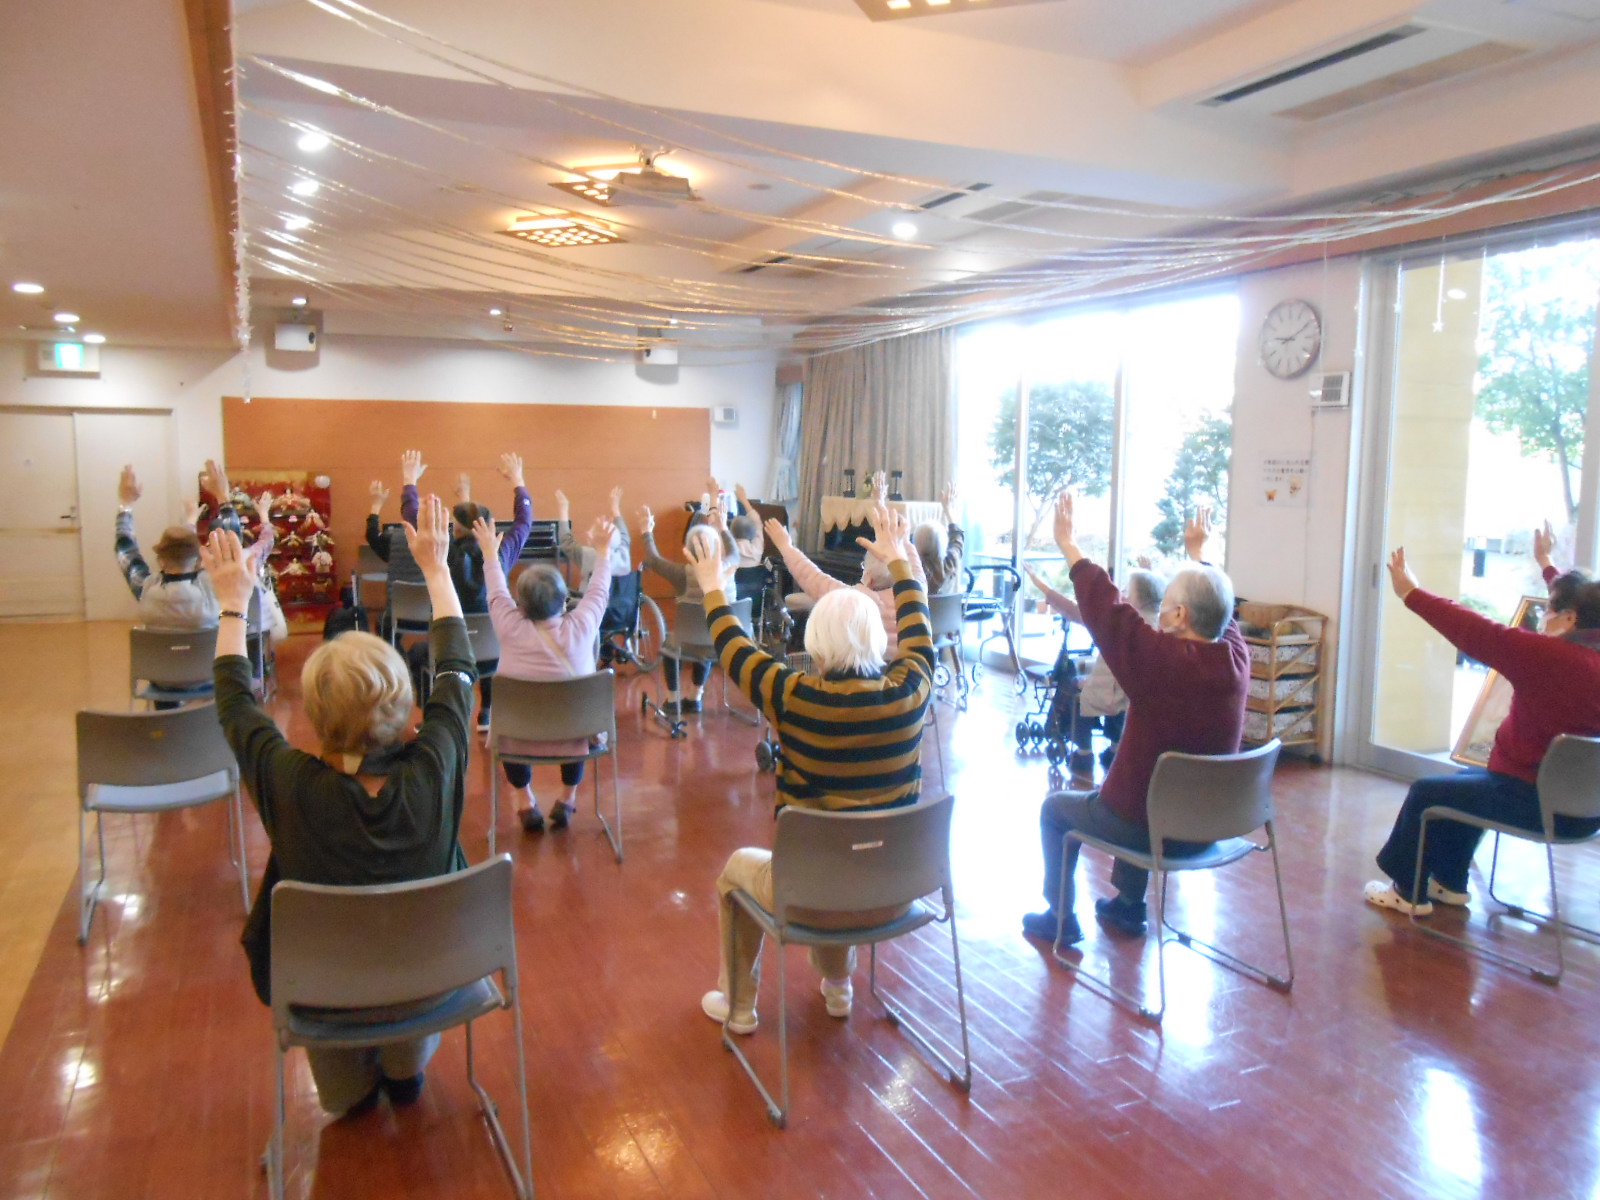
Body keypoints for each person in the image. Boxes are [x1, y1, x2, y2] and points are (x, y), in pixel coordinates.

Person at [205, 493, 474, 1118]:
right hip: (432, 979)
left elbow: (234, 702)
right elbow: (458, 669)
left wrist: (232, 603)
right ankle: (405, 1071)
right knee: (407, 1070)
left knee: (345, 1107)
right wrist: (436, 571)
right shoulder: (436, 765)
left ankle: (361, 1089)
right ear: (405, 707)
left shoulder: (289, 782)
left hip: (322, 994)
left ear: (315, 716)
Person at [692, 504, 935, 1033]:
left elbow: (734, 649)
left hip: (811, 895)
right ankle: (839, 985)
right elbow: (920, 632)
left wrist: (712, 588)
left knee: (739, 870)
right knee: (850, 856)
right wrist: (900, 563)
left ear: (816, 652)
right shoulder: (911, 693)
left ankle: (738, 1006)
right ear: (879, 643)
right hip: (895, 893)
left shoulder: (794, 697)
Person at [1023, 495, 1249, 944]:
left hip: (1149, 828)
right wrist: (1199, 556)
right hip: (1210, 826)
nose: (1158, 611)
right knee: (1148, 784)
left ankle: (1061, 918)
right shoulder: (1237, 660)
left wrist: (1069, 546)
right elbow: (1222, 615)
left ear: (1179, 616)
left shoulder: (1159, 662)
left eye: (1165, 603)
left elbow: (1111, 614)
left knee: (1057, 810)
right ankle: (1127, 906)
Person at [1363, 535, 1600, 916]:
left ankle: (1408, 891)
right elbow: (1579, 603)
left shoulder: (1548, 657)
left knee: (1427, 793)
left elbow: (1475, 630)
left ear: (1571, 618)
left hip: (1535, 802)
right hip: (1588, 812)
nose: (1543, 616)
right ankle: (1450, 881)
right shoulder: (1587, 650)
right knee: (1469, 782)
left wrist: (1411, 593)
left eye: (1548, 610)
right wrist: (1546, 563)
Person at [477, 513, 617, 834]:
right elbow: (599, 591)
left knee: (510, 723)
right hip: (574, 735)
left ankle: (524, 799)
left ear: (520, 605)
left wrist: (489, 554)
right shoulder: (583, 625)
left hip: (517, 737)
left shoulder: (508, 626)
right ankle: (568, 798)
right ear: (564, 600)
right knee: (576, 716)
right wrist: (603, 552)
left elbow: (496, 591)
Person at [1026, 563, 1166, 777]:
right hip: (1133, 694)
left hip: (1109, 691)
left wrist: (1039, 584)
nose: (1122, 593)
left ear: (1138, 600)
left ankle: (1082, 750)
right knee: (1108, 688)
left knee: (1074, 685)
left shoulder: (1121, 621)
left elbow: (1073, 610)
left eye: (1127, 591)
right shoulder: (1160, 625)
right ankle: (1115, 747)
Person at [764, 514, 929, 655]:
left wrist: (785, 547)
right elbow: (915, 569)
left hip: (867, 675)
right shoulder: (916, 593)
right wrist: (903, 541)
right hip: (903, 672)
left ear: (868, 577)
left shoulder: (854, 599)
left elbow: (812, 578)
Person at [115, 459, 241, 630]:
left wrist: (126, 503)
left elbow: (124, 547)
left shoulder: (146, 589)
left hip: (157, 649)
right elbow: (232, 546)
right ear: (199, 560)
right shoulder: (213, 589)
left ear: (161, 561)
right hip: (208, 649)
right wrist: (223, 497)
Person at [639, 504, 738, 714]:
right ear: (716, 546)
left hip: (689, 643)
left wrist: (646, 531)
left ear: (688, 550)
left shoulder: (681, 573)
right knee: (708, 629)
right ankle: (695, 697)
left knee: (671, 643)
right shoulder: (730, 566)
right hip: (724, 641)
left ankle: (673, 699)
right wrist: (723, 527)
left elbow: (653, 560)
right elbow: (735, 552)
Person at [557, 485, 631, 589]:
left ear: (592, 539)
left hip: (591, 599)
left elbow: (565, 541)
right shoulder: (623, 555)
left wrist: (563, 508)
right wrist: (615, 507)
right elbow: (624, 536)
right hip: (622, 600)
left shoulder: (587, 555)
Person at [913, 481, 966, 596]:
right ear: (943, 544)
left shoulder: (911, 571)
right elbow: (957, 539)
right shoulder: (951, 563)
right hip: (949, 609)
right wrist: (948, 510)